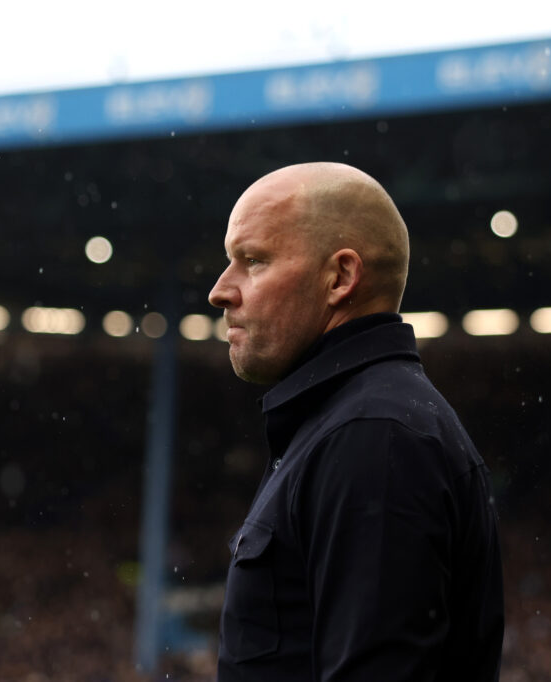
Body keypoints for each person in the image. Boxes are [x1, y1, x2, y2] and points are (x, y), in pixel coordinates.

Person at [208, 162, 504, 681]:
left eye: (253, 261)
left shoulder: (373, 437)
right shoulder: (351, 422)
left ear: (341, 278)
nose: (220, 290)